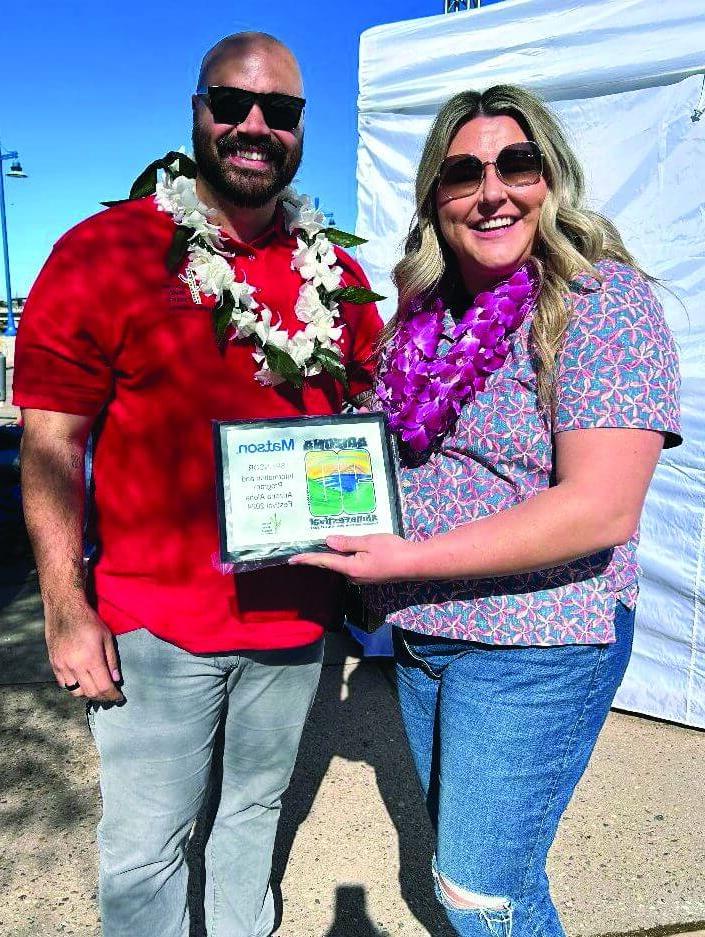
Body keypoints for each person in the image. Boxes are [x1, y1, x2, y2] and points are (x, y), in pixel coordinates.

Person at [290, 85, 681, 937]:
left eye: (516, 163)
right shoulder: (422, 321)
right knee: (459, 869)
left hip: (536, 642)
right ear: (436, 195)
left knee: (480, 891)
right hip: (428, 639)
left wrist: (399, 561)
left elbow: (599, 509)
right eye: (462, 171)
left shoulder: (600, 302)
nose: (491, 189)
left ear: (551, 178)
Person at [14, 31, 381, 937]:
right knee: (146, 847)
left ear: (301, 129)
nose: (255, 125)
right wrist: (66, 607)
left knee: (253, 820)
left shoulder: (339, 276)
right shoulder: (104, 253)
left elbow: (371, 431)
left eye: (282, 111)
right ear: (197, 112)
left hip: (295, 620)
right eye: (233, 104)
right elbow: (52, 444)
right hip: (154, 628)